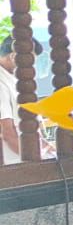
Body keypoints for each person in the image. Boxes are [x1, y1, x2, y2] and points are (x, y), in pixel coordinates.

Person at [0, 36, 49, 164]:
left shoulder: (14, 78)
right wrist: (34, 162)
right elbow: (7, 133)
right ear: (13, 56)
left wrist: (48, 149)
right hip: (16, 161)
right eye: (29, 62)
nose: (31, 67)